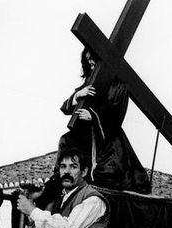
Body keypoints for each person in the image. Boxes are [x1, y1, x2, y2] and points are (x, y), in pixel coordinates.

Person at [54, 48, 149, 193]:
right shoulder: (89, 83)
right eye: (88, 61)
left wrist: (92, 116)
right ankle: (60, 177)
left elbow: (116, 114)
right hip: (86, 135)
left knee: (109, 170)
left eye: (93, 59)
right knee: (65, 139)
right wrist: (77, 95)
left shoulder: (117, 85)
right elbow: (65, 108)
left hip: (107, 135)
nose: (91, 63)